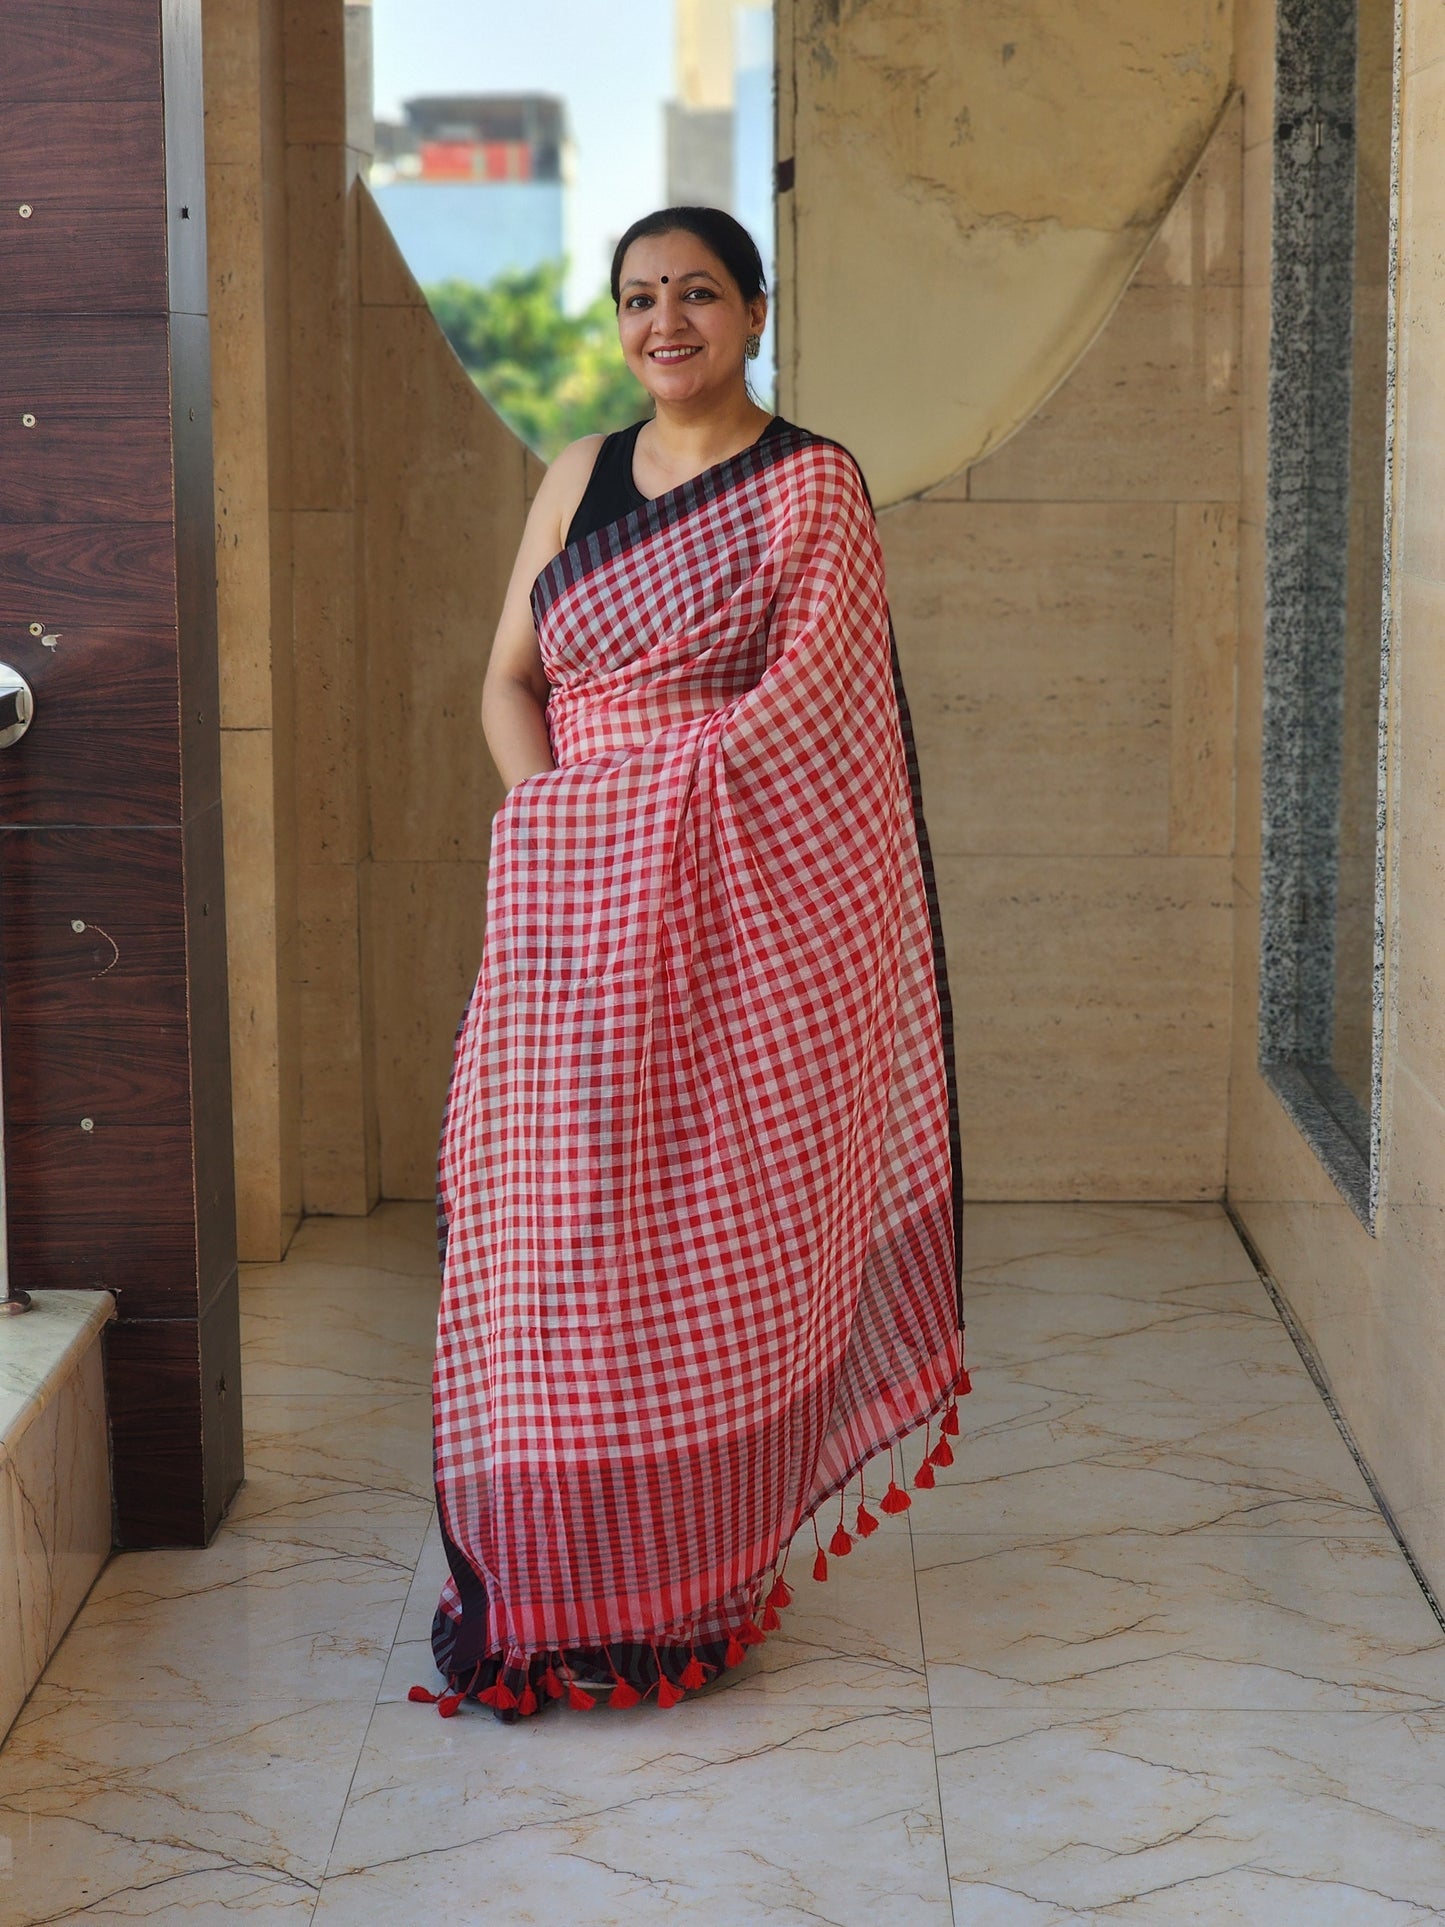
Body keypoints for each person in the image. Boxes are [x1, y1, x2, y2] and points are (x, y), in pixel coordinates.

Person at [418, 206, 968, 1723]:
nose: (667, 322)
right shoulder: (575, 473)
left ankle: (683, 1585)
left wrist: (637, 803)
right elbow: (508, 681)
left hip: (728, 946)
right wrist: (553, 824)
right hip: (561, 920)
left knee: (689, 1234)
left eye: (698, 295)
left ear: (754, 311)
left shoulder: (812, 488)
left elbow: (814, 727)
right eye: (640, 299)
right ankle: (533, 1578)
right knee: (540, 1242)